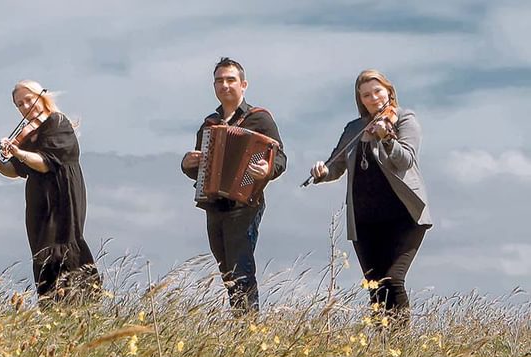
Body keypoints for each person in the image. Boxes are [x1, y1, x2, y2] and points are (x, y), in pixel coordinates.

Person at [309, 69, 432, 327]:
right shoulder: (354, 128)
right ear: (360, 99)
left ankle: (401, 346)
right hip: (365, 219)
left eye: (377, 91)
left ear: (389, 91)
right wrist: (322, 172)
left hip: (404, 215)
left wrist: (386, 138)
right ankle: (384, 348)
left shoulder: (404, 119)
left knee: (393, 279)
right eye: (366, 95)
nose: (373, 98)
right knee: (375, 287)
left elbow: (405, 160)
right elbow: (336, 165)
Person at [181, 58, 287, 315]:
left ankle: (248, 322)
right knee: (226, 268)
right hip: (214, 204)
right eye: (220, 81)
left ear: (243, 84)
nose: (225, 85)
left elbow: (280, 158)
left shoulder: (259, 119)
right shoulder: (209, 124)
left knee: (241, 267)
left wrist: (266, 170)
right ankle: (240, 320)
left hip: (246, 201)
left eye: (230, 80)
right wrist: (186, 163)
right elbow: (202, 168)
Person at [0, 80, 102, 308]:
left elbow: (45, 164)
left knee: (63, 246)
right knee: (41, 251)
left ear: (42, 97)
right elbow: (17, 171)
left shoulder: (57, 123)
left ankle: (84, 301)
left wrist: (18, 152)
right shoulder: (29, 134)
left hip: (61, 194)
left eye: (28, 99)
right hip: (38, 199)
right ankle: (50, 306)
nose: (26, 106)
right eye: (20, 104)